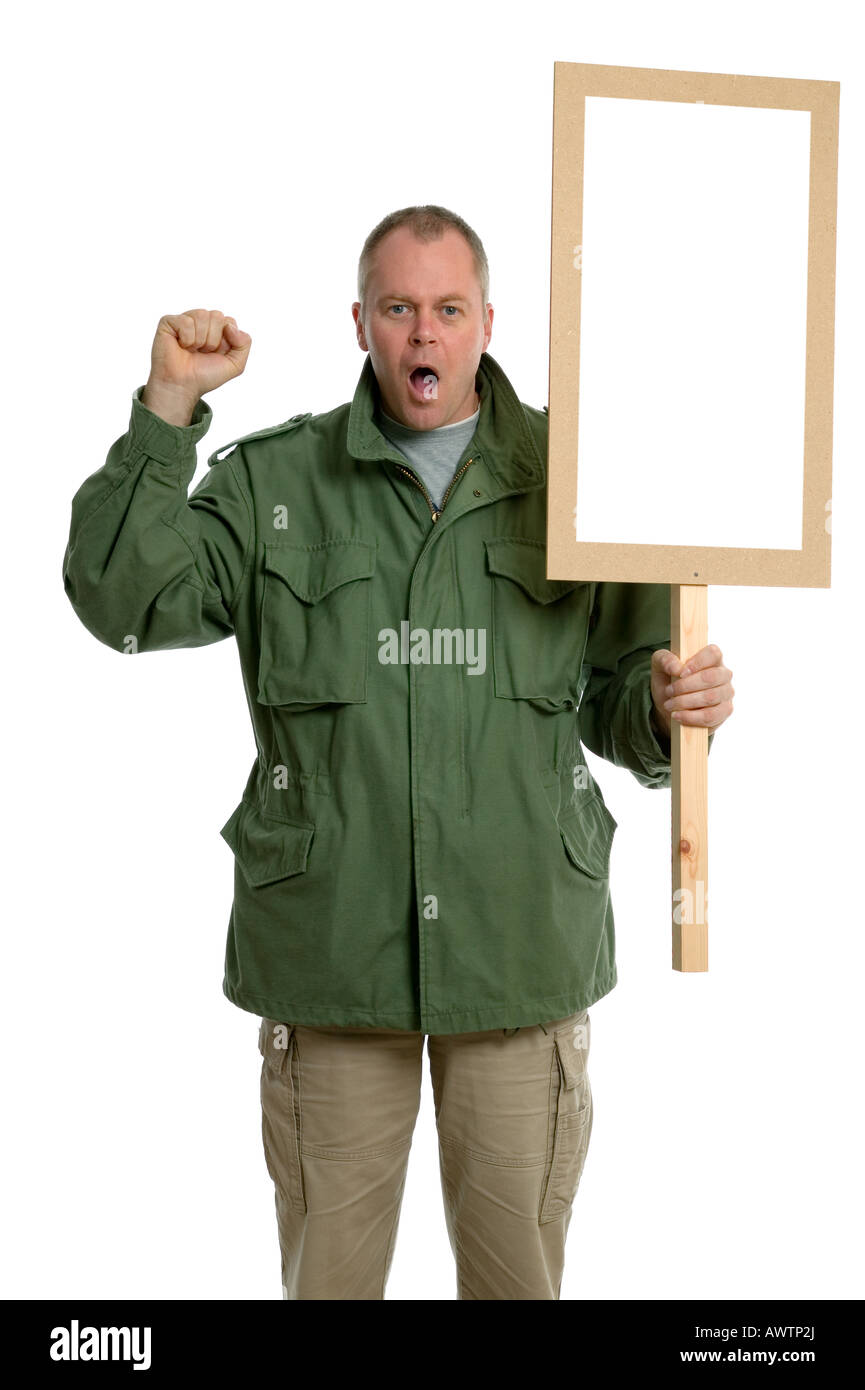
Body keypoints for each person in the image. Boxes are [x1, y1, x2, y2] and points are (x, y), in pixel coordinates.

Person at [62, 205, 734, 1300]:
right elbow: (118, 593)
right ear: (362, 323)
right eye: (399, 309)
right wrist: (170, 408)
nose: (425, 334)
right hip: (333, 954)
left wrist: (668, 710)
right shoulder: (276, 484)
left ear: (486, 322)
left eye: (448, 309)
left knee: (516, 1283)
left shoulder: (583, 475)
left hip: (520, 946)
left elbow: (621, 693)